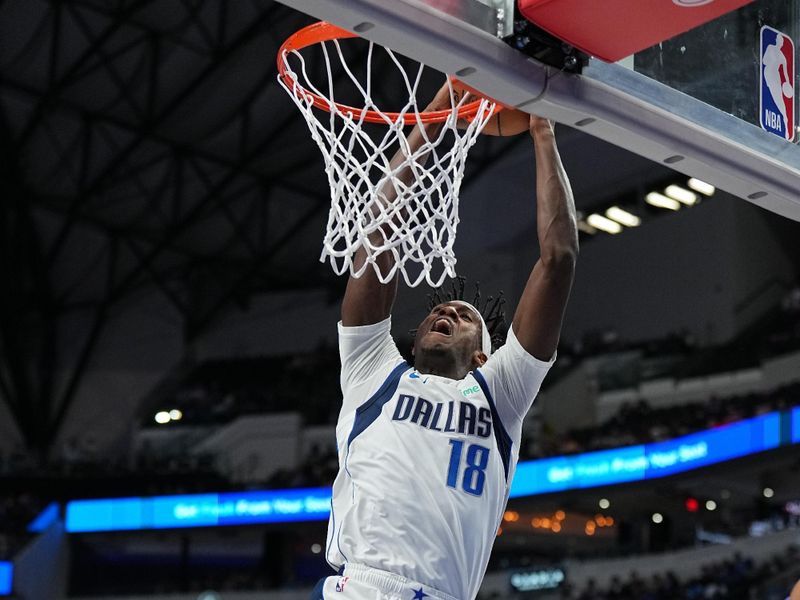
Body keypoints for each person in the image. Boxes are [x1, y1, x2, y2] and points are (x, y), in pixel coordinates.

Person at [312, 83, 578, 600]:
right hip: (355, 587)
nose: (446, 312)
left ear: (484, 355)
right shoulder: (373, 371)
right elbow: (378, 236)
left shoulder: (500, 393)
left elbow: (559, 260)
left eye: (463, 316)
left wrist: (543, 128)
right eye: (439, 309)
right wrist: (430, 122)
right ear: (411, 343)